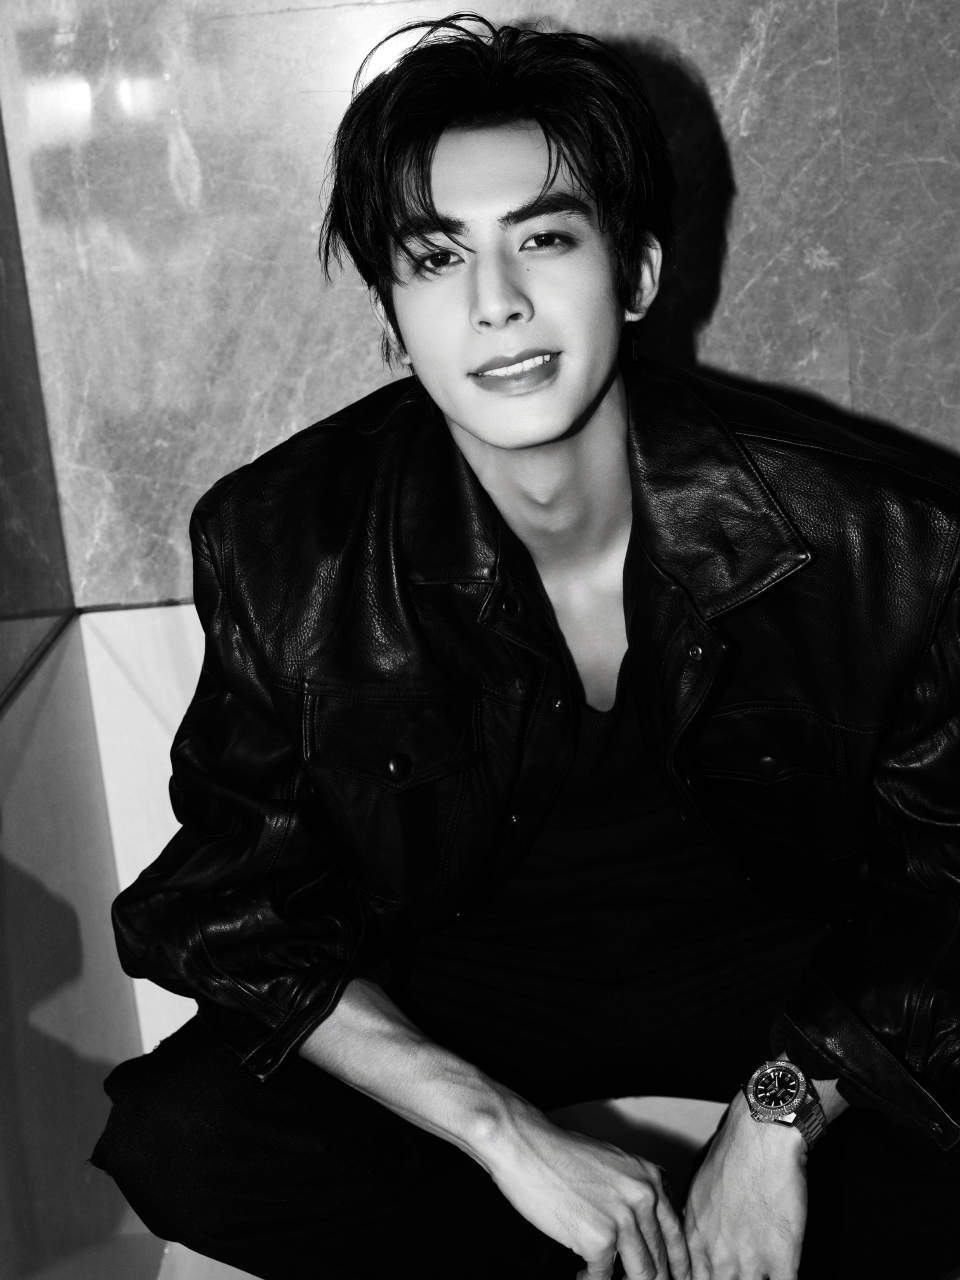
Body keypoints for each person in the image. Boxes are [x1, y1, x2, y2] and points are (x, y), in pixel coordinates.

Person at [92, 15, 960, 1280]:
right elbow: (232, 909)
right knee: (182, 1136)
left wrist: (778, 1118)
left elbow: (947, 879)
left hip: (785, 981)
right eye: (436, 257)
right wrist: (499, 1132)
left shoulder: (883, 534)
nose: (494, 303)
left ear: (637, 274)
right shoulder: (285, 542)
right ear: (393, 319)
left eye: (544, 238)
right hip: (473, 992)